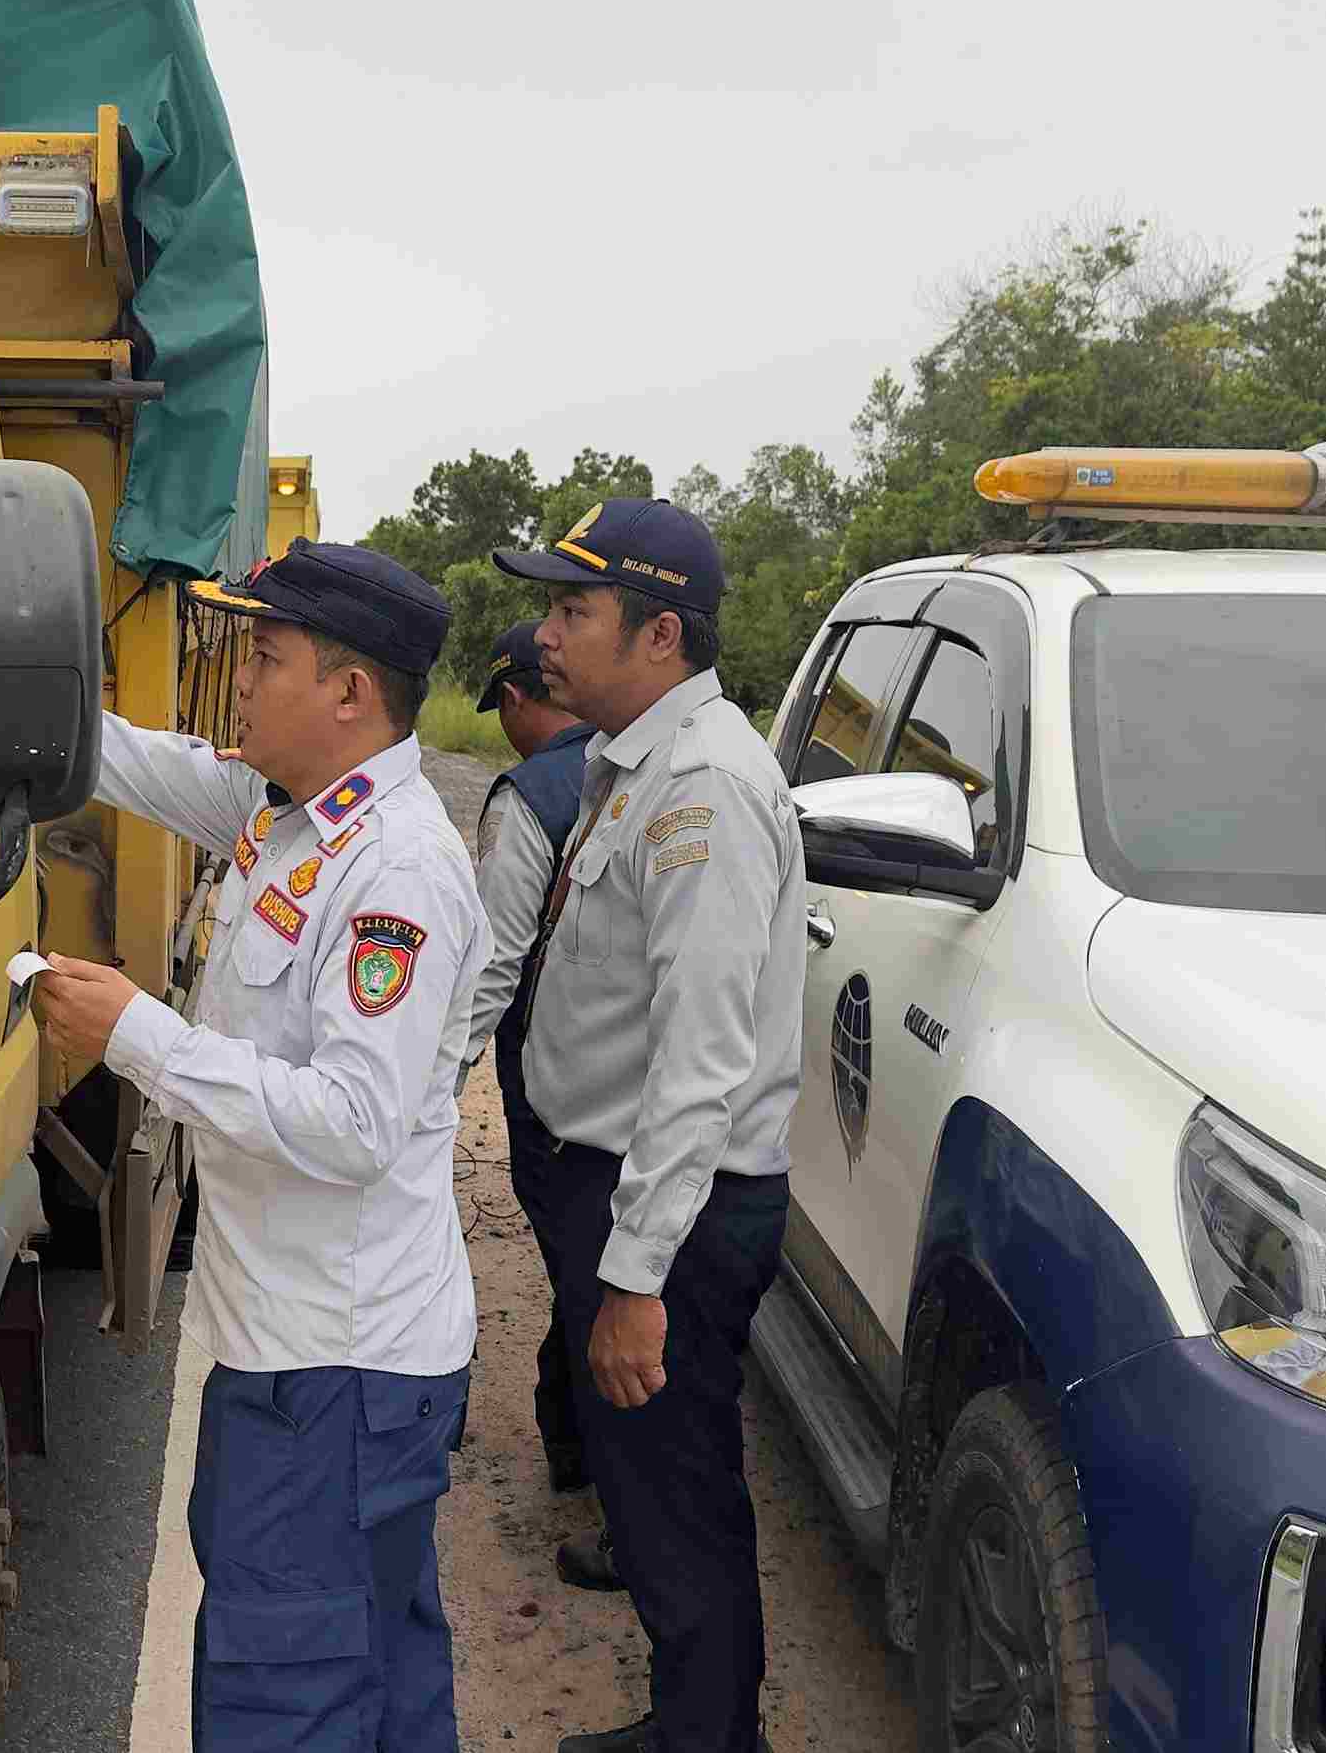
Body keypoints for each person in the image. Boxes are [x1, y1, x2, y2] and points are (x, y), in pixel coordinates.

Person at [28, 539, 487, 1753]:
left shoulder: (394, 870)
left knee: (282, 1696)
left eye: (266, 658)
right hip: (311, 1355)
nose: (238, 679)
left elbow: (351, 1123)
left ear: (350, 692)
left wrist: (136, 1034)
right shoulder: (290, 816)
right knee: (377, 1674)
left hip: (333, 1372)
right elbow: (149, 764)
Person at [490, 500, 805, 1753]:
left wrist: (633, 1279)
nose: (545, 634)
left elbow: (700, 1058)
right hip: (622, 1188)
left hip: (668, 1206)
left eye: (573, 610)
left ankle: (709, 1738)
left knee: (678, 1500)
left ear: (659, 634)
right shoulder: (636, 760)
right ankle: (690, 1721)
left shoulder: (704, 788)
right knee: (648, 1490)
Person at [458, 623, 608, 1530]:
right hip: (628, 1077)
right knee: (601, 1262)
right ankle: (570, 1430)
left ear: (515, 699)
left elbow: (493, 965)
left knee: (582, 1270)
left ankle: (584, 1447)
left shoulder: (529, 795)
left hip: (550, 1082)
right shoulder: (633, 764)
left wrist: (442, 1078)